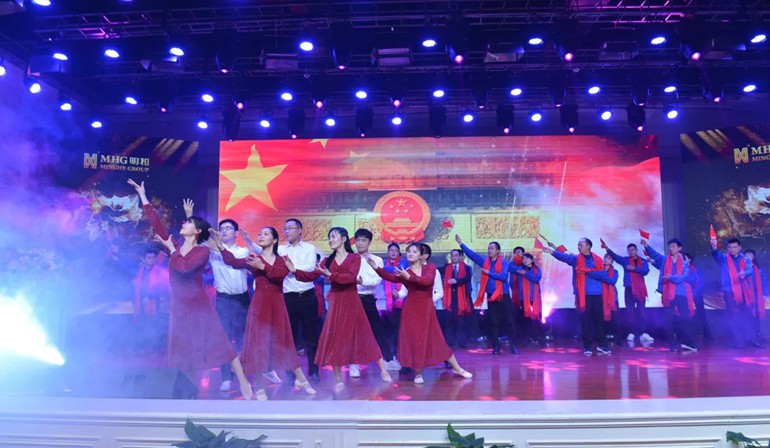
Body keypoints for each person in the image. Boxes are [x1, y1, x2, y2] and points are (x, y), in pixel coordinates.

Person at [127, 179, 253, 400]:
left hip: (199, 305)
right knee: (183, 349)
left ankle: (243, 381)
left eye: (189, 223)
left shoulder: (202, 252)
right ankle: (188, 389)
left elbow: (183, 267)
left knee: (220, 342)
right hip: (179, 306)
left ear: (197, 231)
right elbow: (156, 224)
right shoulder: (175, 246)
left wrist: (170, 250)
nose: (183, 224)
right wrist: (142, 196)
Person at [211, 226, 316, 399]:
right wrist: (221, 247)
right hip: (259, 305)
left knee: (284, 342)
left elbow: (278, 276)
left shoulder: (282, 259)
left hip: (277, 304)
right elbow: (233, 262)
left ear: (274, 240)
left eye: (266, 234)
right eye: (260, 233)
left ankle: (302, 380)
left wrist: (263, 266)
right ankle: (259, 387)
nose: (261, 235)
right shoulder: (253, 259)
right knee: (258, 344)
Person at [284, 227, 392, 391]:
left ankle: (383, 370)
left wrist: (330, 275)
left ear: (344, 239)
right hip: (336, 302)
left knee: (365, 335)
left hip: (352, 300)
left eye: (333, 236)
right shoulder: (328, 260)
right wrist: (295, 271)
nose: (331, 240)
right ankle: (338, 380)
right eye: (329, 237)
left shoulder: (354, 257)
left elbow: (350, 278)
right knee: (336, 339)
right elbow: (312, 275)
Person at [183, 200, 270, 392]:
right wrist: (189, 215)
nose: (224, 231)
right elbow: (194, 239)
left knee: (246, 338)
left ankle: (248, 374)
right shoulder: (212, 251)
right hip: (223, 300)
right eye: (221, 229)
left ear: (236, 233)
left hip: (243, 299)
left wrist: (223, 246)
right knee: (224, 339)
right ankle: (226, 377)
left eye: (228, 228)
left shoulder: (243, 251)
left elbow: (239, 259)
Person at [368, 243, 473, 384]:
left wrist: (409, 277)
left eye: (414, 251)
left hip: (426, 309)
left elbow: (426, 281)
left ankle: (457, 368)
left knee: (437, 340)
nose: (410, 254)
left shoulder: (430, 268)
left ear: (422, 255)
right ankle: (418, 373)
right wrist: (376, 267)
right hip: (410, 310)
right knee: (415, 340)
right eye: (408, 251)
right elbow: (390, 277)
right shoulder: (406, 271)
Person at [348, 228, 401, 378]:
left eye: (364, 240)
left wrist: (362, 281)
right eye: (358, 240)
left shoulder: (377, 260)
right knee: (353, 332)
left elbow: (377, 280)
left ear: (369, 242)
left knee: (377, 330)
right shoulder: (350, 258)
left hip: (368, 299)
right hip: (352, 297)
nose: (360, 243)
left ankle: (388, 360)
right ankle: (353, 364)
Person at [543, 238, 611, 356]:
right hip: (583, 295)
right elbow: (564, 257)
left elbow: (603, 274)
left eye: (581, 245)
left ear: (588, 246)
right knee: (585, 322)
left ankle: (603, 345)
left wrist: (588, 272)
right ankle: (587, 346)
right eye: (578, 245)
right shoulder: (576, 259)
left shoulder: (598, 259)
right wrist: (552, 252)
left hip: (597, 294)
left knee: (599, 321)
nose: (579, 247)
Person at [455, 234, 519, 355]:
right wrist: (461, 244)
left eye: (492, 248)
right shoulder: (485, 262)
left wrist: (489, 273)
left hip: (503, 295)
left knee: (509, 321)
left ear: (498, 251)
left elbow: (503, 277)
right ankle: (496, 346)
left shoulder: (504, 263)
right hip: (491, 295)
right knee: (493, 322)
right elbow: (472, 255)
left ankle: (513, 345)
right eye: (489, 248)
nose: (489, 250)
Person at [277, 218, 321, 381]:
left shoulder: (310, 248)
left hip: (307, 296)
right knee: (289, 336)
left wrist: (291, 268)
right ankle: (290, 372)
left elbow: (309, 268)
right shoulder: (280, 250)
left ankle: (314, 371)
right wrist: (293, 269)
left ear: (300, 230)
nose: (287, 231)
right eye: (285, 229)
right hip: (289, 297)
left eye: (290, 228)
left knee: (311, 336)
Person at [643, 238, 697, 352]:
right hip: (668, 293)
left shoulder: (684, 263)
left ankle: (688, 342)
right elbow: (655, 255)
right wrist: (646, 246)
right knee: (669, 320)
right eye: (669, 247)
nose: (671, 249)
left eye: (673, 246)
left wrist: (670, 277)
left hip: (681, 293)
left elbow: (681, 278)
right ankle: (672, 344)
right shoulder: (664, 260)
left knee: (685, 318)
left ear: (679, 248)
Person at [711, 237, 760, 348]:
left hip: (743, 290)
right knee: (733, 314)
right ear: (727, 248)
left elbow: (749, 269)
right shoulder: (724, 259)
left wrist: (744, 273)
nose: (732, 249)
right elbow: (716, 255)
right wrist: (714, 247)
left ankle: (750, 339)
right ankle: (737, 340)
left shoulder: (745, 259)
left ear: (739, 248)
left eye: (734, 247)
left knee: (747, 313)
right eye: (730, 247)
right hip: (729, 290)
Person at [605, 242, 652, 344]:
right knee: (630, 311)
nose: (631, 252)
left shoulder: (642, 261)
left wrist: (634, 268)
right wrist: (607, 248)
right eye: (629, 250)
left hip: (640, 289)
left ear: (636, 250)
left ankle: (643, 332)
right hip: (629, 289)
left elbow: (646, 271)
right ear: (627, 251)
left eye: (633, 250)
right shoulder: (625, 260)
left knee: (641, 311)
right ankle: (632, 332)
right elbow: (615, 257)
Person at [132, 246, 169, 352]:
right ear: (145, 258)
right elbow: (138, 286)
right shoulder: (140, 270)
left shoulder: (158, 271)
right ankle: (143, 346)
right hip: (141, 301)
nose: (151, 260)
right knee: (142, 324)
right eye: (149, 257)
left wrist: (149, 297)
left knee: (154, 324)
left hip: (154, 302)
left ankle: (155, 347)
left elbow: (160, 286)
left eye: (153, 258)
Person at [440, 249, 474, 348]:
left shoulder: (467, 268)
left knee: (462, 321)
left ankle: (462, 342)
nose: (454, 257)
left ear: (460, 257)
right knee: (449, 320)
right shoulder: (446, 267)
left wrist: (456, 280)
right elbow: (436, 270)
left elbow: (467, 278)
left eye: (456, 255)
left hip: (463, 298)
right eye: (452, 255)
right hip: (450, 298)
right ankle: (449, 342)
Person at [382, 242, 408, 356]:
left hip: (401, 299)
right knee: (390, 328)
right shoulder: (384, 263)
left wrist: (382, 268)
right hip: (387, 301)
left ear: (399, 252)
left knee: (400, 327)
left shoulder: (404, 262)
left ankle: (399, 350)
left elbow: (396, 270)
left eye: (395, 250)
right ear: (388, 252)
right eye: (391, 250)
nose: (393, 252)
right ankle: (392, 350)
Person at [684, 253, 712, 341]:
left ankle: (706, 334)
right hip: (684, 295)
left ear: (689, 260)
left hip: (696, 294)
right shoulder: (679, 269)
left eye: (685, 258)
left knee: (701, 314)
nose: (683, 260)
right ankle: (687, 335)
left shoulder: (696, 269)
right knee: (685, 314)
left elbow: (700, 281)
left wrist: (694, 293)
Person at [745, 249, 768, 346]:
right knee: (746, 317)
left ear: (753, 257)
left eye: (750, 255)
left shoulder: (758, 269)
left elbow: (764, 282)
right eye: (746, 255)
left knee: (756, 317)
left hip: (756, 296)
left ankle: (756, 336)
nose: (747, 257)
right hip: (746, 296)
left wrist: (764, 294)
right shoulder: (741, 268)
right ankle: (748, 337)